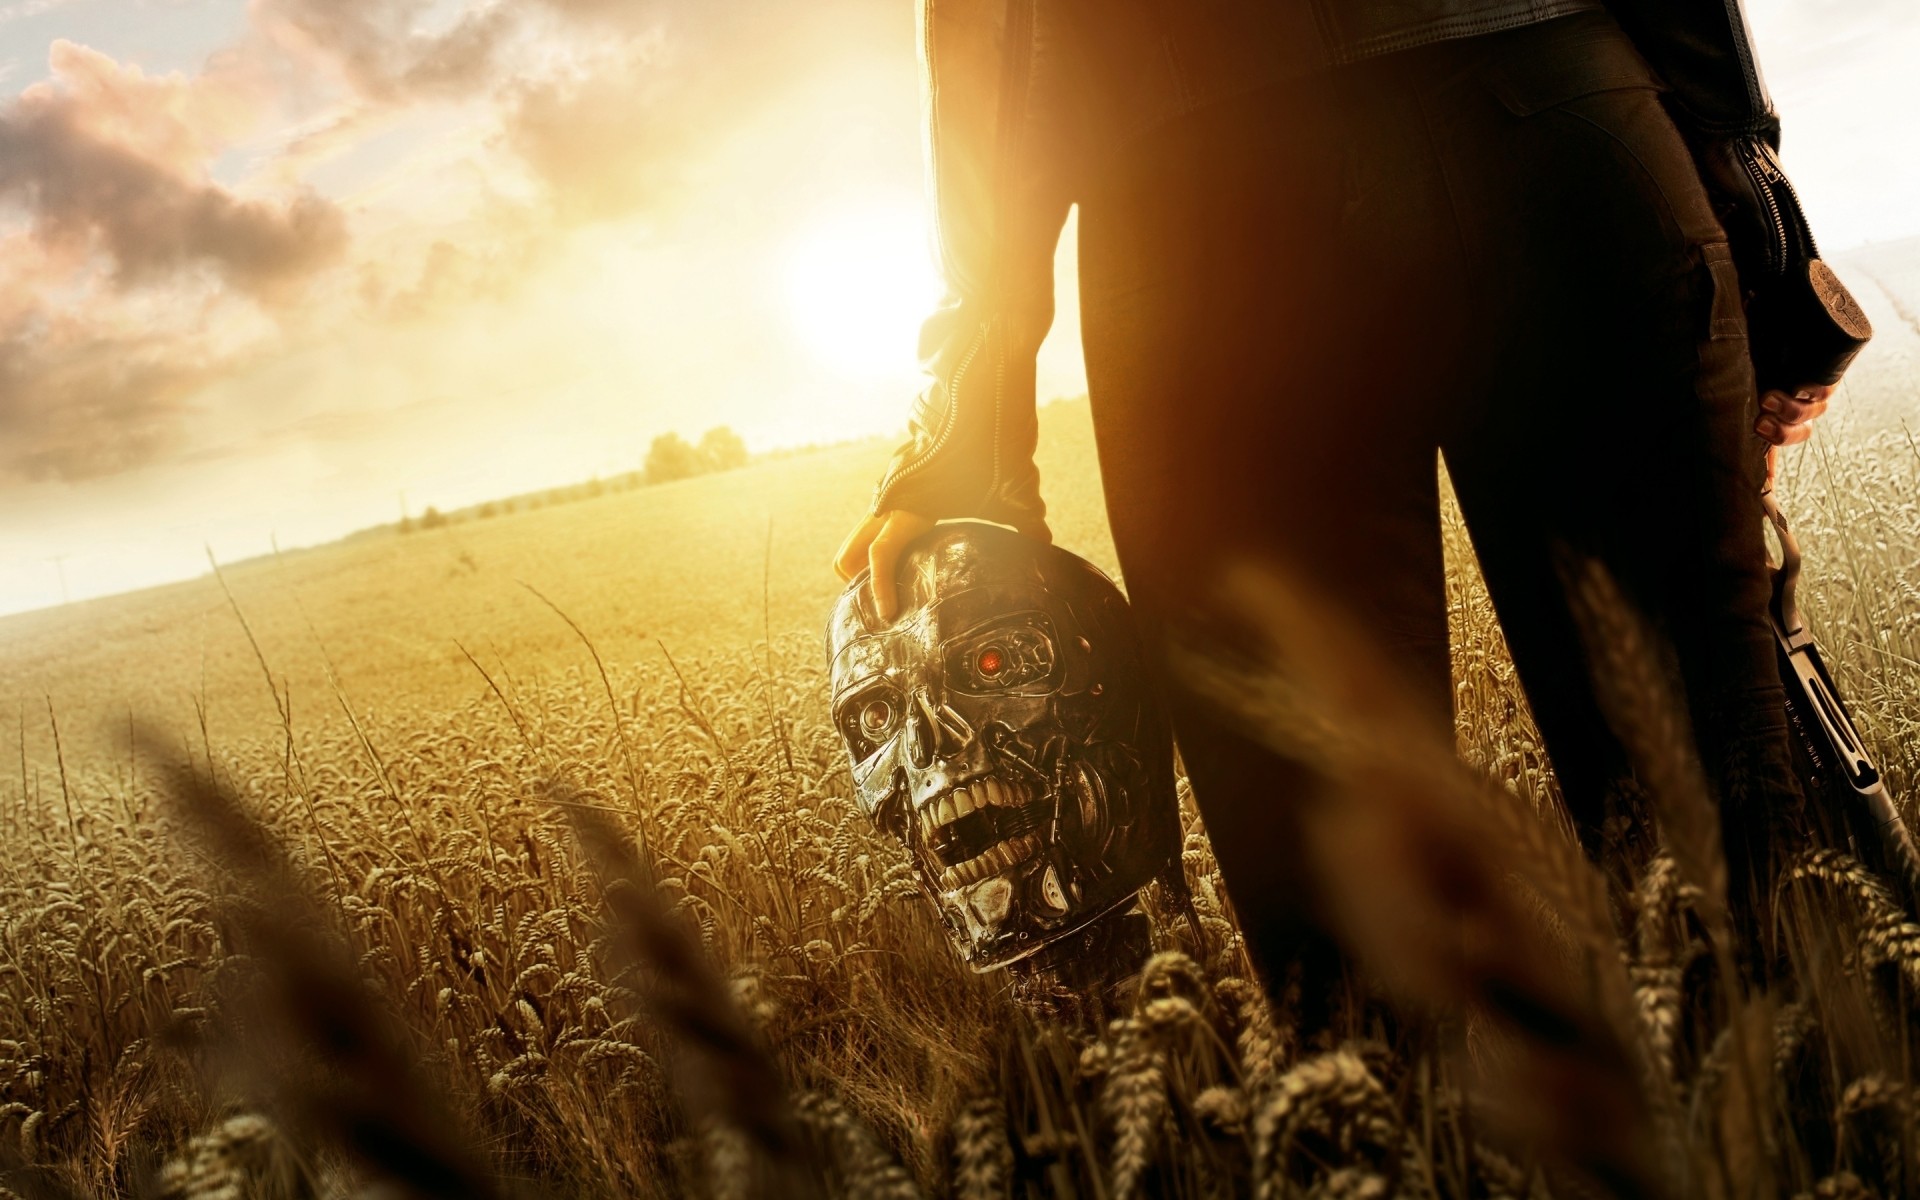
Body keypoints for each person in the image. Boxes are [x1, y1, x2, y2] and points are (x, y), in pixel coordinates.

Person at [833, 0, 1853, 996]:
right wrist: (1754, 201)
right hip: (1567, 129)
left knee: (1355, 957)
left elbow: (983, 21)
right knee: (1725, 847)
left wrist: (972, 400)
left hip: (1205, 215)